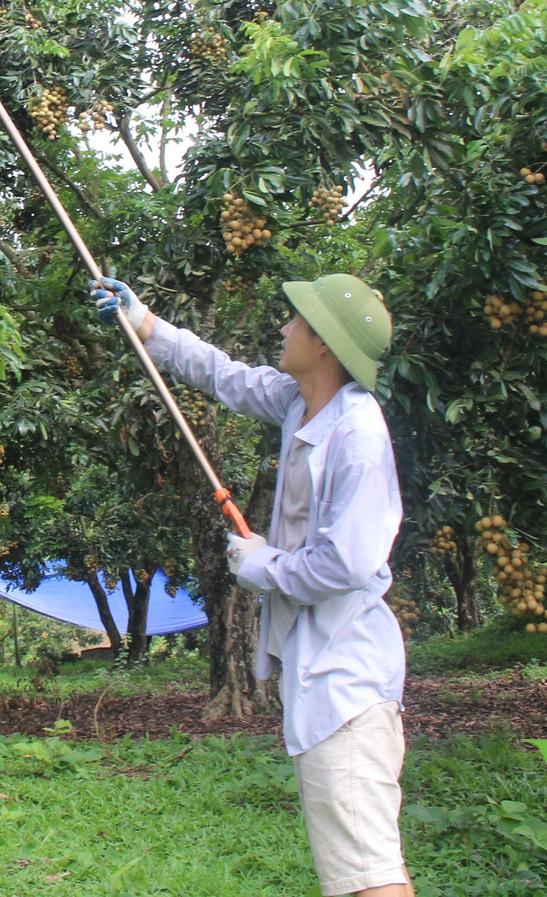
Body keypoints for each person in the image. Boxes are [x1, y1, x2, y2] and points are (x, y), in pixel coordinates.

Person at [91, 271, 408, 897]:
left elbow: (344, 564)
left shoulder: (358, 437)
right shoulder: (302, 402)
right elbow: (223, 375)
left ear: (324, 344)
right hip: (321, 668)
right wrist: (145, 322)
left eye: (297, 321)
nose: (283, 328)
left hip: (346, 678)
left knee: (366, 875)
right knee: (354, 867)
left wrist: (264, 566)